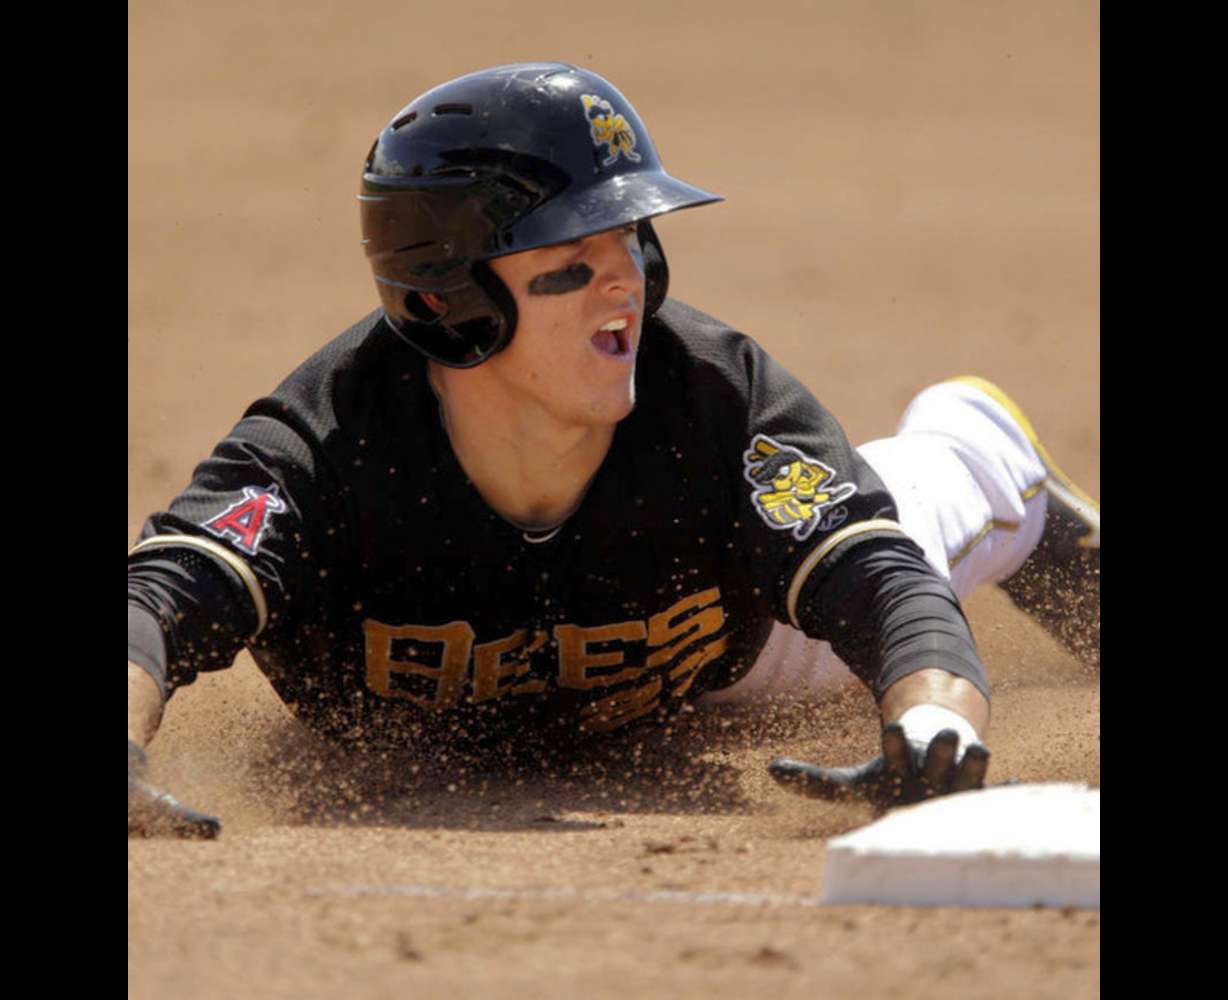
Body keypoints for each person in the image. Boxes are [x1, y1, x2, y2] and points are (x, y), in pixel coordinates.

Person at [127, 63, 1099, 839]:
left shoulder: (714, 400)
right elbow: (160, 593)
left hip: (737, 648)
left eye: (631, 242)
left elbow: (883, 581)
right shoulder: (324, 448)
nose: (623, 287)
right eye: (568, 265)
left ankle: (977, 439)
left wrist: (938, 715)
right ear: (443, 302)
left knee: (943, 501)